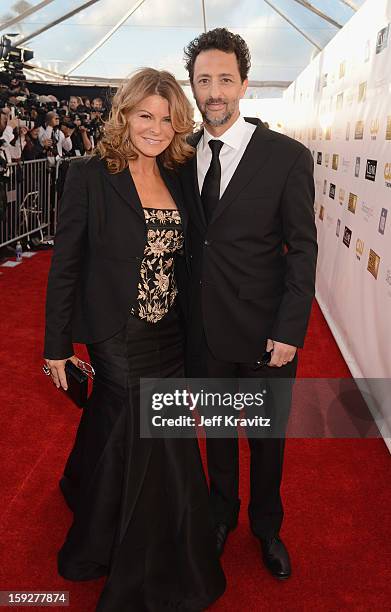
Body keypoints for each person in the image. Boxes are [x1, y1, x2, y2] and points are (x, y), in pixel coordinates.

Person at [43, 68, 225, 611]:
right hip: (116, 333)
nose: (157, 127)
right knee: (151, 430)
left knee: (133, 428)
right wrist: (56, 346)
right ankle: (149, 564)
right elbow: (66, 265)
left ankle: (100, 516)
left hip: (168, 333)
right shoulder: (90, 174)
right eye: (145, 114)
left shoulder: (180, 175)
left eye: (168, 118)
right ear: (123, 115)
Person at [180, 28, 318, 579]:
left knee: (266, 440)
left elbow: (303, 249)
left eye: (225, 79)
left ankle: (267, 527)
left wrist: (291, 330)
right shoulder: (179, 153)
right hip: (202, 329)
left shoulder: (287, 157)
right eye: (203, 80)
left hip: (266, 333)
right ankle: (220, 517)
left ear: (244, 83)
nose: (214, 91)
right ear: (193, 85)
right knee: (215, 432)